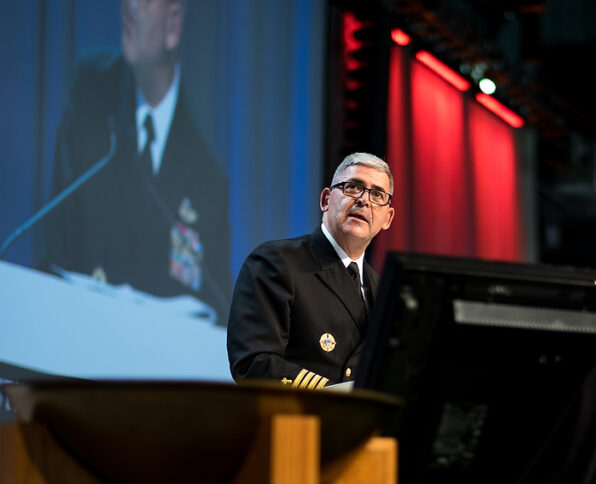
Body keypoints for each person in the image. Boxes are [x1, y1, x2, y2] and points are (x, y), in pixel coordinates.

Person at [35, 0, 231, 322]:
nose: (129, 7)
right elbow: (58, 243)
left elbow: (216, 305)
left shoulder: (207, 176)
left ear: (173, 24)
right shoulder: (92, 98)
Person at [226, 153, 394, 388]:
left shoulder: (382, 290)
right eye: (353, 187)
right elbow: (254, 362)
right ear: (326, 199)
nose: (364, 200)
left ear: (388, 218)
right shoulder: (276, 262)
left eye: (377, 194)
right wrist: (334, 395)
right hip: (295, 418)